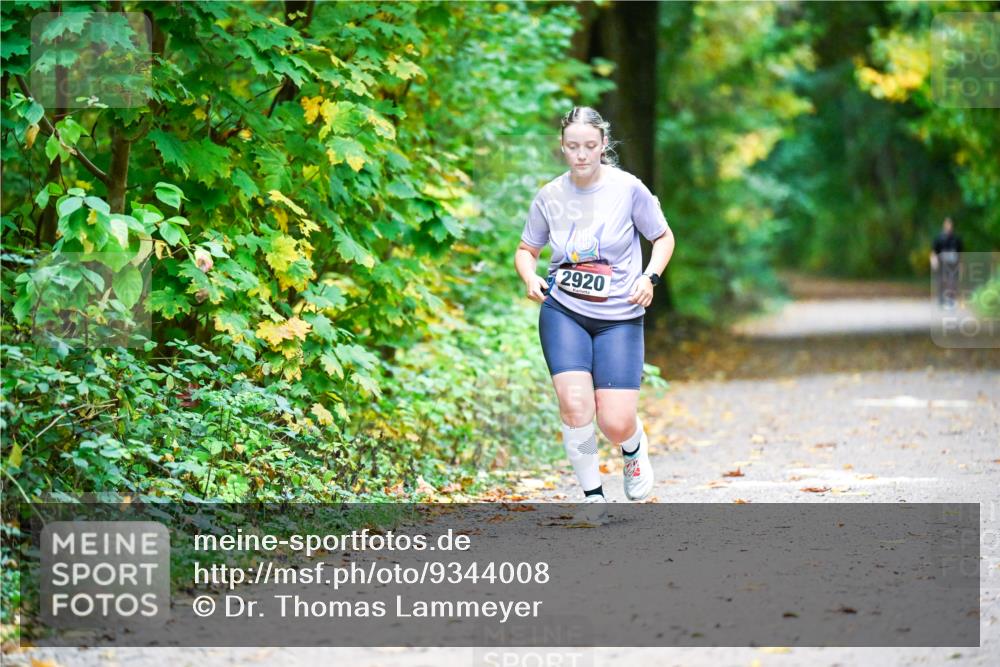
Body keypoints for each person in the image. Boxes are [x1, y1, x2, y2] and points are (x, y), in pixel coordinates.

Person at [513, 106, 675, 524]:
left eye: (589, 146)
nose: (581, 154)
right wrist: (530, 277)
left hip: (620, 314)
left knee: (615, 422)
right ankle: (592, 496)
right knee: (574, 404)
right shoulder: (549, 196)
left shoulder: (628, 189)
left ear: (604, 145)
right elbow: (526, 249)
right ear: (562, 147)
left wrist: (650, 278)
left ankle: (633, 445)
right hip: (563, 309)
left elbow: (662, 236)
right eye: (572, 147)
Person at [930, 217, 963, 309]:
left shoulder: (957, 239)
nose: (949, 227)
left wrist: (961, 265)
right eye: (947, 224)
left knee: (952, 282)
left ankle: (951, 300)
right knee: (941, 281)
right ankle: (941, 300)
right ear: (944, 225)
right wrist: (934, 261)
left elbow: (960, 254)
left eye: (950, 225)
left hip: (953, 263)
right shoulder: (939, 238)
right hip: (942, 263)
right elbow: (934, 252)